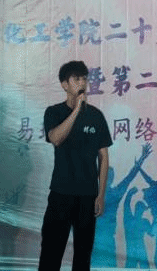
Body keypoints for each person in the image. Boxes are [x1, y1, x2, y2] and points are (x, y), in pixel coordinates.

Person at [38, 60, 113, 271]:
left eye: (84, 79)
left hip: (87, 197)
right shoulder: (53, 112)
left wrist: (101, 195)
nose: (82, 83)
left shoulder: (96, 116)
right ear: (64, 85)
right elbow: (56, 138)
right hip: (61, 194)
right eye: (76, 79)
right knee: (51, 253)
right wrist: (77, 110)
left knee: (83, 255)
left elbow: (104, 157)